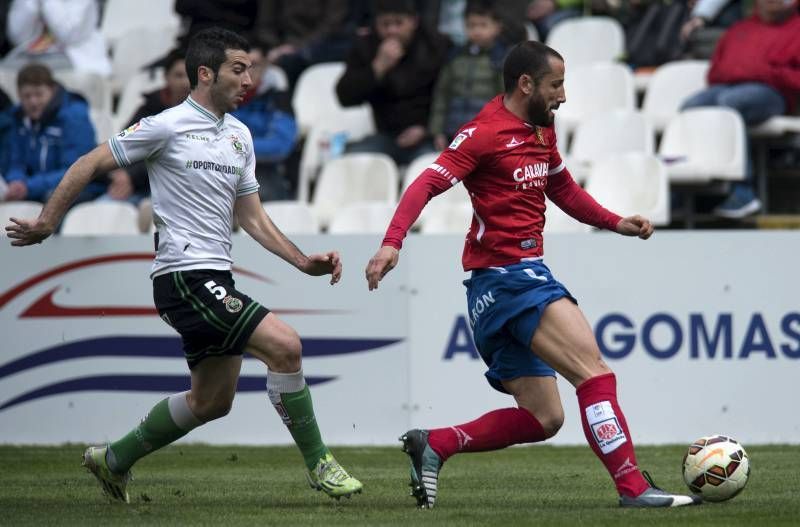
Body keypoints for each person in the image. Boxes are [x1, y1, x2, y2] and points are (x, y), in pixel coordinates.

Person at [5, 27, 362, 503]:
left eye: (251, 68)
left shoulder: (239, 135)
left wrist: (301, 261)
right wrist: (48, 220)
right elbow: (89, 163)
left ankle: (112, 461)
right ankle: (321, 465)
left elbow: (250, 215)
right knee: (285, 346)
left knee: (212, 402)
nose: (249, 78)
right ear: (205, 73)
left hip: (215, 277)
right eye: (239, 68)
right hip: (184, 277)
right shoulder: (165, 125)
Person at [365, 40, 700, 509]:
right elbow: (426, 181)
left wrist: (614, 221)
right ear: (526, 84)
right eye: (556, 84)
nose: (563, 95)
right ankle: (634, 489)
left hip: (496, 289)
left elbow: (560, 186)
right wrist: (392, 242)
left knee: (545, 418)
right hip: (510, 279)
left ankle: (436, 443)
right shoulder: (483, 133)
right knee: (595, 375)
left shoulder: (542, 128)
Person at [681, 0, 800, 219]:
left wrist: (767, 73)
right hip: (729, 86)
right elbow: (715, 72)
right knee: (691, 107)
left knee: (731, 102)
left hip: (775, 92)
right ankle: (688, 187)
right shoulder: (740, 29)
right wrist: (741, 72)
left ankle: (742, 191)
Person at [336, 0, 451, 166]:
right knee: (351, 161)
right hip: (386, 135)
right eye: (385, 24)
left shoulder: (437, 46)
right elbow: (344, 97)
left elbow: (450, 96)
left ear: (414, 22)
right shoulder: (366, 47)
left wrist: (427, 129)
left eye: (399, 23)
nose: (392, 30)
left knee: (432, 170)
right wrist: (377, 68)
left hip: (428, 136)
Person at [103, 49, 191, 205]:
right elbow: (125, 143)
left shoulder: (205, 116)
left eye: (190, 76)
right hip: (137, 187)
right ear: (166, 77)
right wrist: (118, 173)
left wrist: (131, 175)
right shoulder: (148, 109)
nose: (185, 82)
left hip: (177, 191)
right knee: (103, 207)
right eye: (178, 75)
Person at [3, 63, 98, 203]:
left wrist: (28, 186)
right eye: (27, 96)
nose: (33, 102)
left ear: (52, 90)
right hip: (34, 188)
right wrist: (16, 181)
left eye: (39, 94)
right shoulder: (18, 119)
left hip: (81, 189)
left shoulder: (74, 117)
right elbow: (15, 162)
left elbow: (76, 170)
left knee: (53, 200)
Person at [429, 0, 506, 152]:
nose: (477, 31)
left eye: (483, 25)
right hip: (453, 132)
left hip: (486, 134)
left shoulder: (501, 60)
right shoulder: (454, 57)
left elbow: (505, 99)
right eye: (471, 25)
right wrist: (437, 131)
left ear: (497, 27)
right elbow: (442, 95)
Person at [231, 44, 298, 201]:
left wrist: (235, 148)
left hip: (262, 172)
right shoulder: (215, 98)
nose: (247, 73)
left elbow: (280, 145)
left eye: (254, 66)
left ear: (265, 67)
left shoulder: (278, 98)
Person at [3, 0, 111, 76]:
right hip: (33, 54)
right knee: (4, 70)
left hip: (72, 56)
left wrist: (48, 2)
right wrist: (30, 5)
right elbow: (17, 37)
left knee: (32, 73)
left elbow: (67, 35)